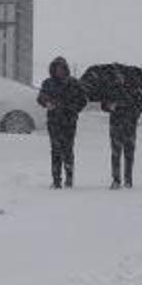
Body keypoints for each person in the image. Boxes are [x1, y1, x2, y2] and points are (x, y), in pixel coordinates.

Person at [37, 56, 87, 189]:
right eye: (56, 68)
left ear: (66, 69)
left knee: (68, 149)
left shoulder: (74, 83)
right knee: (55, 150)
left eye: (61, 68)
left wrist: (73, 109)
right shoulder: (48, 83)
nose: (59, 71)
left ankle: (69, 179)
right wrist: (47, 103)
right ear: (52, 69)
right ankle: (56, 180)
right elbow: (40, 97)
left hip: (69, 121)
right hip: (54, 121)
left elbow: (83, 100)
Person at [101, 67, 142, 189]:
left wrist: (134, 114)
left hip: (130, 125)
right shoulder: (111, 89)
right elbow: (103, 105)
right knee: (115, 153)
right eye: (117, 76)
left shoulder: (134, 90)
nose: (119, 78)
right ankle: (116, 180)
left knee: (129, 153)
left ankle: (128, 180)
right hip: (115, 124)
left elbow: (141, 105)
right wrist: (109, 106)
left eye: (121, 76)